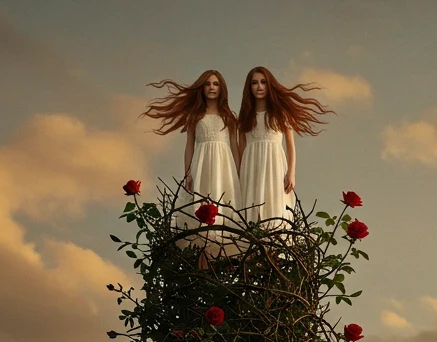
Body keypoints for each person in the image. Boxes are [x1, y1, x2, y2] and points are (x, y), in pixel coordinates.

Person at [141, 70, 241, 250]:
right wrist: (188, 173)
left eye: (216, 84)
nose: (211, 87)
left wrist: (239, 173)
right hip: (201, 165)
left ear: (222, 89)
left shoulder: (229, 117)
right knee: (201, 203)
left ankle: (220, 248)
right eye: (208, 84)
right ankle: (202, 251)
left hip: (224, 167)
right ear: (202, 88)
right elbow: (189, 147)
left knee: (224, 202)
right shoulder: (195, 116)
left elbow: (234, 147)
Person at [236, 66, 334, 235]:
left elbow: (290, 145)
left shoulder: (279, 113)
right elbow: (241, 147)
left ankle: (275, 248)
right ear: (249, 87)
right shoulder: (246, 115)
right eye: (254, 83)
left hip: (275, 166)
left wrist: (291, 172)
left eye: (263, 82)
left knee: (275, 206)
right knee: (251, 208)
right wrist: (238, 174)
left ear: (269, 85)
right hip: (251, 167)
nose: (259, 87)